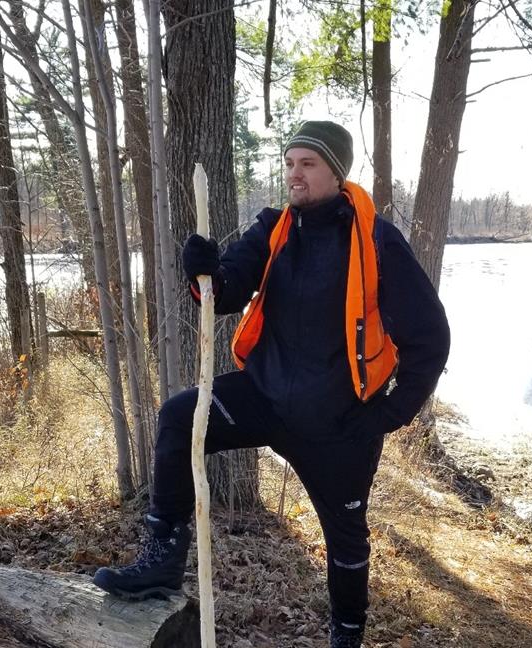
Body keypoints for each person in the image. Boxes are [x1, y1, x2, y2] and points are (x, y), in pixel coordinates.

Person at [93, 120, 450, 648]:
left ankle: (346, 634)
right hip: (264, 398)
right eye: (289, 163)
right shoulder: (276, 227)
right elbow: (228, 289)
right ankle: (162, 559)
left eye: (307, 163)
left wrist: (389, 414)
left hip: (338, 422)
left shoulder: (375, 239)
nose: (294, 175)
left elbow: (430, 337)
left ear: (336, 171)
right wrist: (204, 271)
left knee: (346, 540)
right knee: (178, 417)